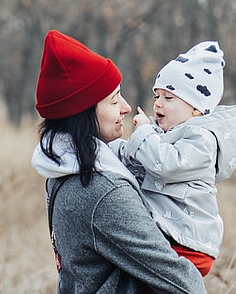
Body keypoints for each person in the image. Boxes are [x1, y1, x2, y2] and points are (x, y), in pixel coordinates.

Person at [30, 29, 207, 294]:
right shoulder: (103, 191)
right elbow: (183, 284)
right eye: (114, 101)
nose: (126, 107)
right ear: (83, 112)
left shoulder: (59, 173)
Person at [112, 41, 236, 277]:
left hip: (190, 243)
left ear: (196, 109)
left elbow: (167, 165)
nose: (158, 103)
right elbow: (135, 160)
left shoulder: (202, 139)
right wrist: (105, 147)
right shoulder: (164, 135)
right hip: (170, 235)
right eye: (157, 95)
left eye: (169, 97)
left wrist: (144, 133)